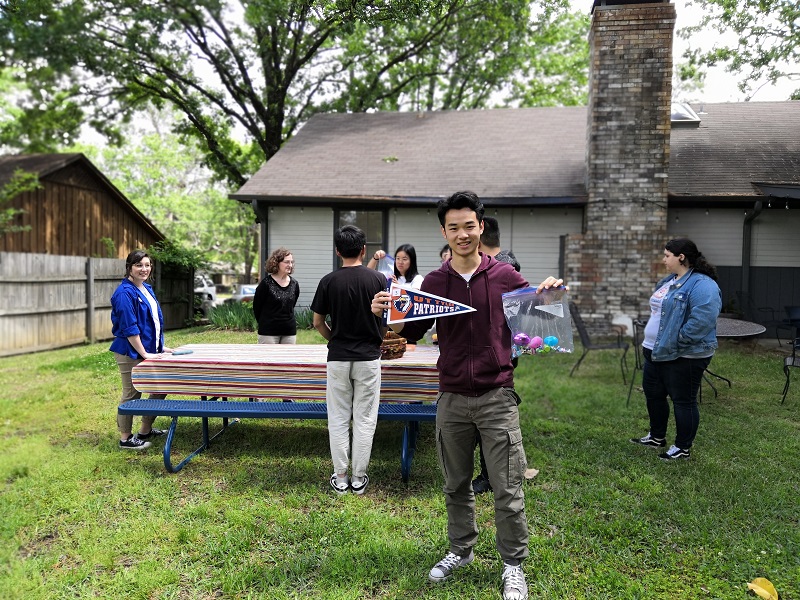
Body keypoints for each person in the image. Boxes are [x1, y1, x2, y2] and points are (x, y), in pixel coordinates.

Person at [372, 191, 563, 600]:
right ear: (444, 232)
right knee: (455, 483)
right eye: (453, 227)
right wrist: (386, 313)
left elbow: (537, 320)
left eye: (469, 226)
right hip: (452, 397)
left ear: (481, 227)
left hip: (497, 397)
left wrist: (548, 294)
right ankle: (460, 550)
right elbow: (409, 332)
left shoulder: (505, 276)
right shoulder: (433, 283)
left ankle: (513, 565)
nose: (463, 234)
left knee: (507, 487)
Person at [312, 225, 388, 495]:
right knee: (365, 418)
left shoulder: (328, 281)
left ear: (337, 251)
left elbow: (317, 322)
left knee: (338, 418)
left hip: (338, 357)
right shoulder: (379, 279)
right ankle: (358, 478)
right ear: (364, 250)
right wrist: (378, 338)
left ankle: (341, 476)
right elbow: (387, 320)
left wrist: (333, 338)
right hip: (369, 357)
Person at [630, 238, 721, 461]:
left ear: (681, 257)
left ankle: (682, 448)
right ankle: (656, 437)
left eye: (667, 255)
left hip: (684, 354)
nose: (663, 259)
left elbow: (703, 320)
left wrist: (676, 340)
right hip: (655, 351)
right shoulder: (668, 280)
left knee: (683, 400)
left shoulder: (703, 285)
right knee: (654, 395)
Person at [471, 216, 523, 495]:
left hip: (496, 355)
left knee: (491, 420)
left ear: (479, 237)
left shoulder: (502, 269)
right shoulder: (505, 264)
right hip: (497, 353)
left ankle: (490, 476)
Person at [109, 250, 172, 450]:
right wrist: (144, 353)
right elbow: (130, 327)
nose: (144, 269)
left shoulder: (146, 289)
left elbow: (152, 322)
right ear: (129, 267)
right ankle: (126, 438)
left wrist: (160, 347)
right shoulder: (124, 293)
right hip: (130, 351)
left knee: (160, 387)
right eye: (139, 265)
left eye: (147, 265)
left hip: (148, 350)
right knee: (132, 393)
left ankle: (145, 430)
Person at [253, 247, 300, 344]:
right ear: (276, 263)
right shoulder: (266, 284)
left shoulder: (295, 284)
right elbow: (257, 307)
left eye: (291, 262)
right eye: (286, 262)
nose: (290, 265)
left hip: (289, 332)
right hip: (268, 332)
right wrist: (265, 323)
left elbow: (291, 306)